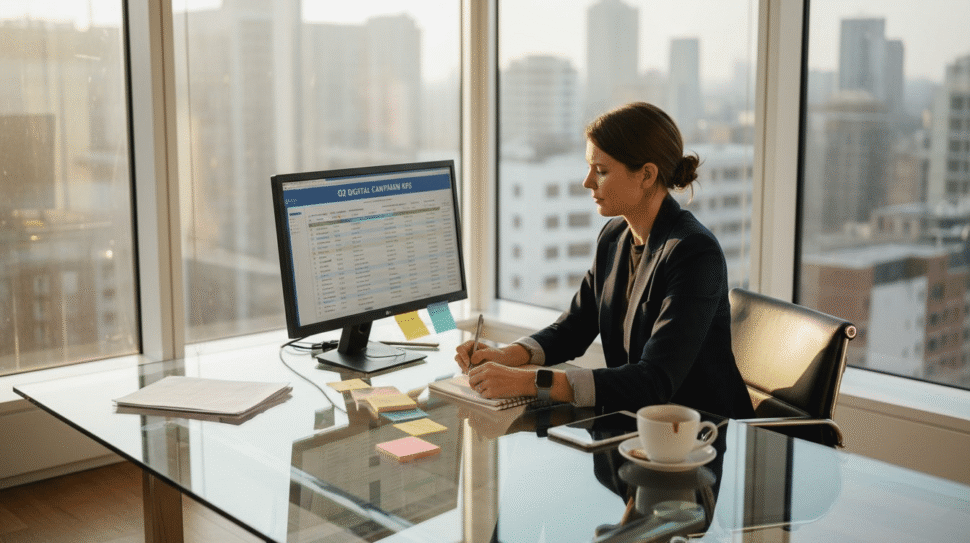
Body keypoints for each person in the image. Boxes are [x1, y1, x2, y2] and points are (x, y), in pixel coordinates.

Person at [454, 102, 755, 419]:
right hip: (635, 427)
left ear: (646, 175)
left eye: (600, 171)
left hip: (701, 434)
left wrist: (530, 382)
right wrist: (506, 356)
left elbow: (654, 381)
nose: (587, 182)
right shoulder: (614, 237)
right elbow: (574, 328)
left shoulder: (694, 253)